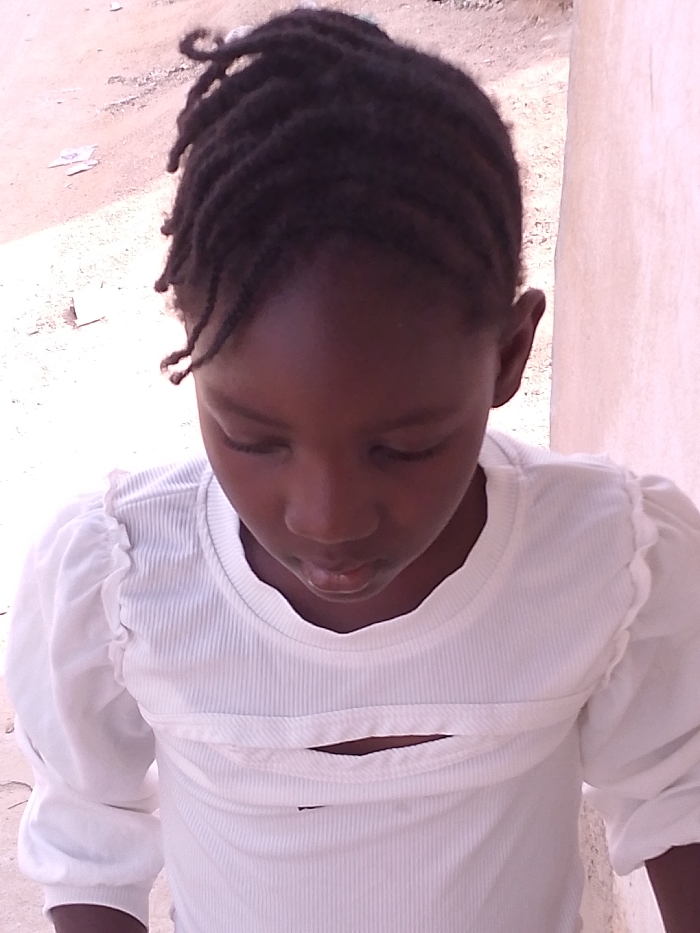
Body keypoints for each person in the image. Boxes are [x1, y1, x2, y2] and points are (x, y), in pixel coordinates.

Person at [6, 8, 700, 933]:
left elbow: (679, 786)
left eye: (403, 447)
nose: (327, 519)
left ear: (508, 355)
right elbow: (87, 829)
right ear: (193, 352)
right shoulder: (128, 580)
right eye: (254, 438)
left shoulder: (608, 560)